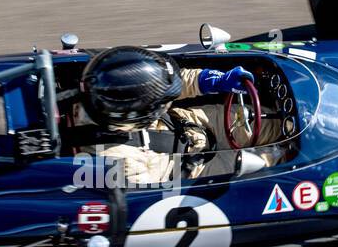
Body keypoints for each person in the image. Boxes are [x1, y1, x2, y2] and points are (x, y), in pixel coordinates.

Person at [75, 46, 255, 185]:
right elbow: (183, 176)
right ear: (139, 118)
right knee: (264, 162)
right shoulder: (120, 166)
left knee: (258, 119)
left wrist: (210, 80)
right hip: (189, 165)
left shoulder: (105, 83)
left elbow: (157, 85)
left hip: (187, 124)